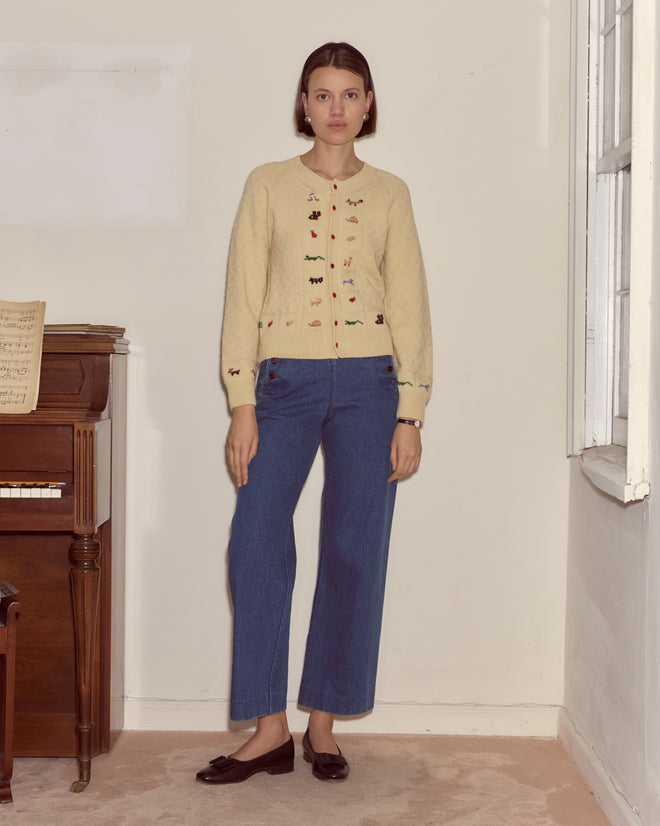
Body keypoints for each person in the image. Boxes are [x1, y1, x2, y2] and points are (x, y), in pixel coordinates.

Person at [196, 41, 432, 785]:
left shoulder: (391, 192)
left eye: (350, 93)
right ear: (304, 103)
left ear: (368, 103)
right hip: (283, 384)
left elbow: (410, 302)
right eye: (322, 94)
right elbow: (242, 295)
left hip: (371, 382)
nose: (335, 108)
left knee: (355, 547)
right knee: (257, 539)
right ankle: (268, 727)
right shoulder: (266, 185)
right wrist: (242, 402)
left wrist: (410, 410)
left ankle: (322, 725)